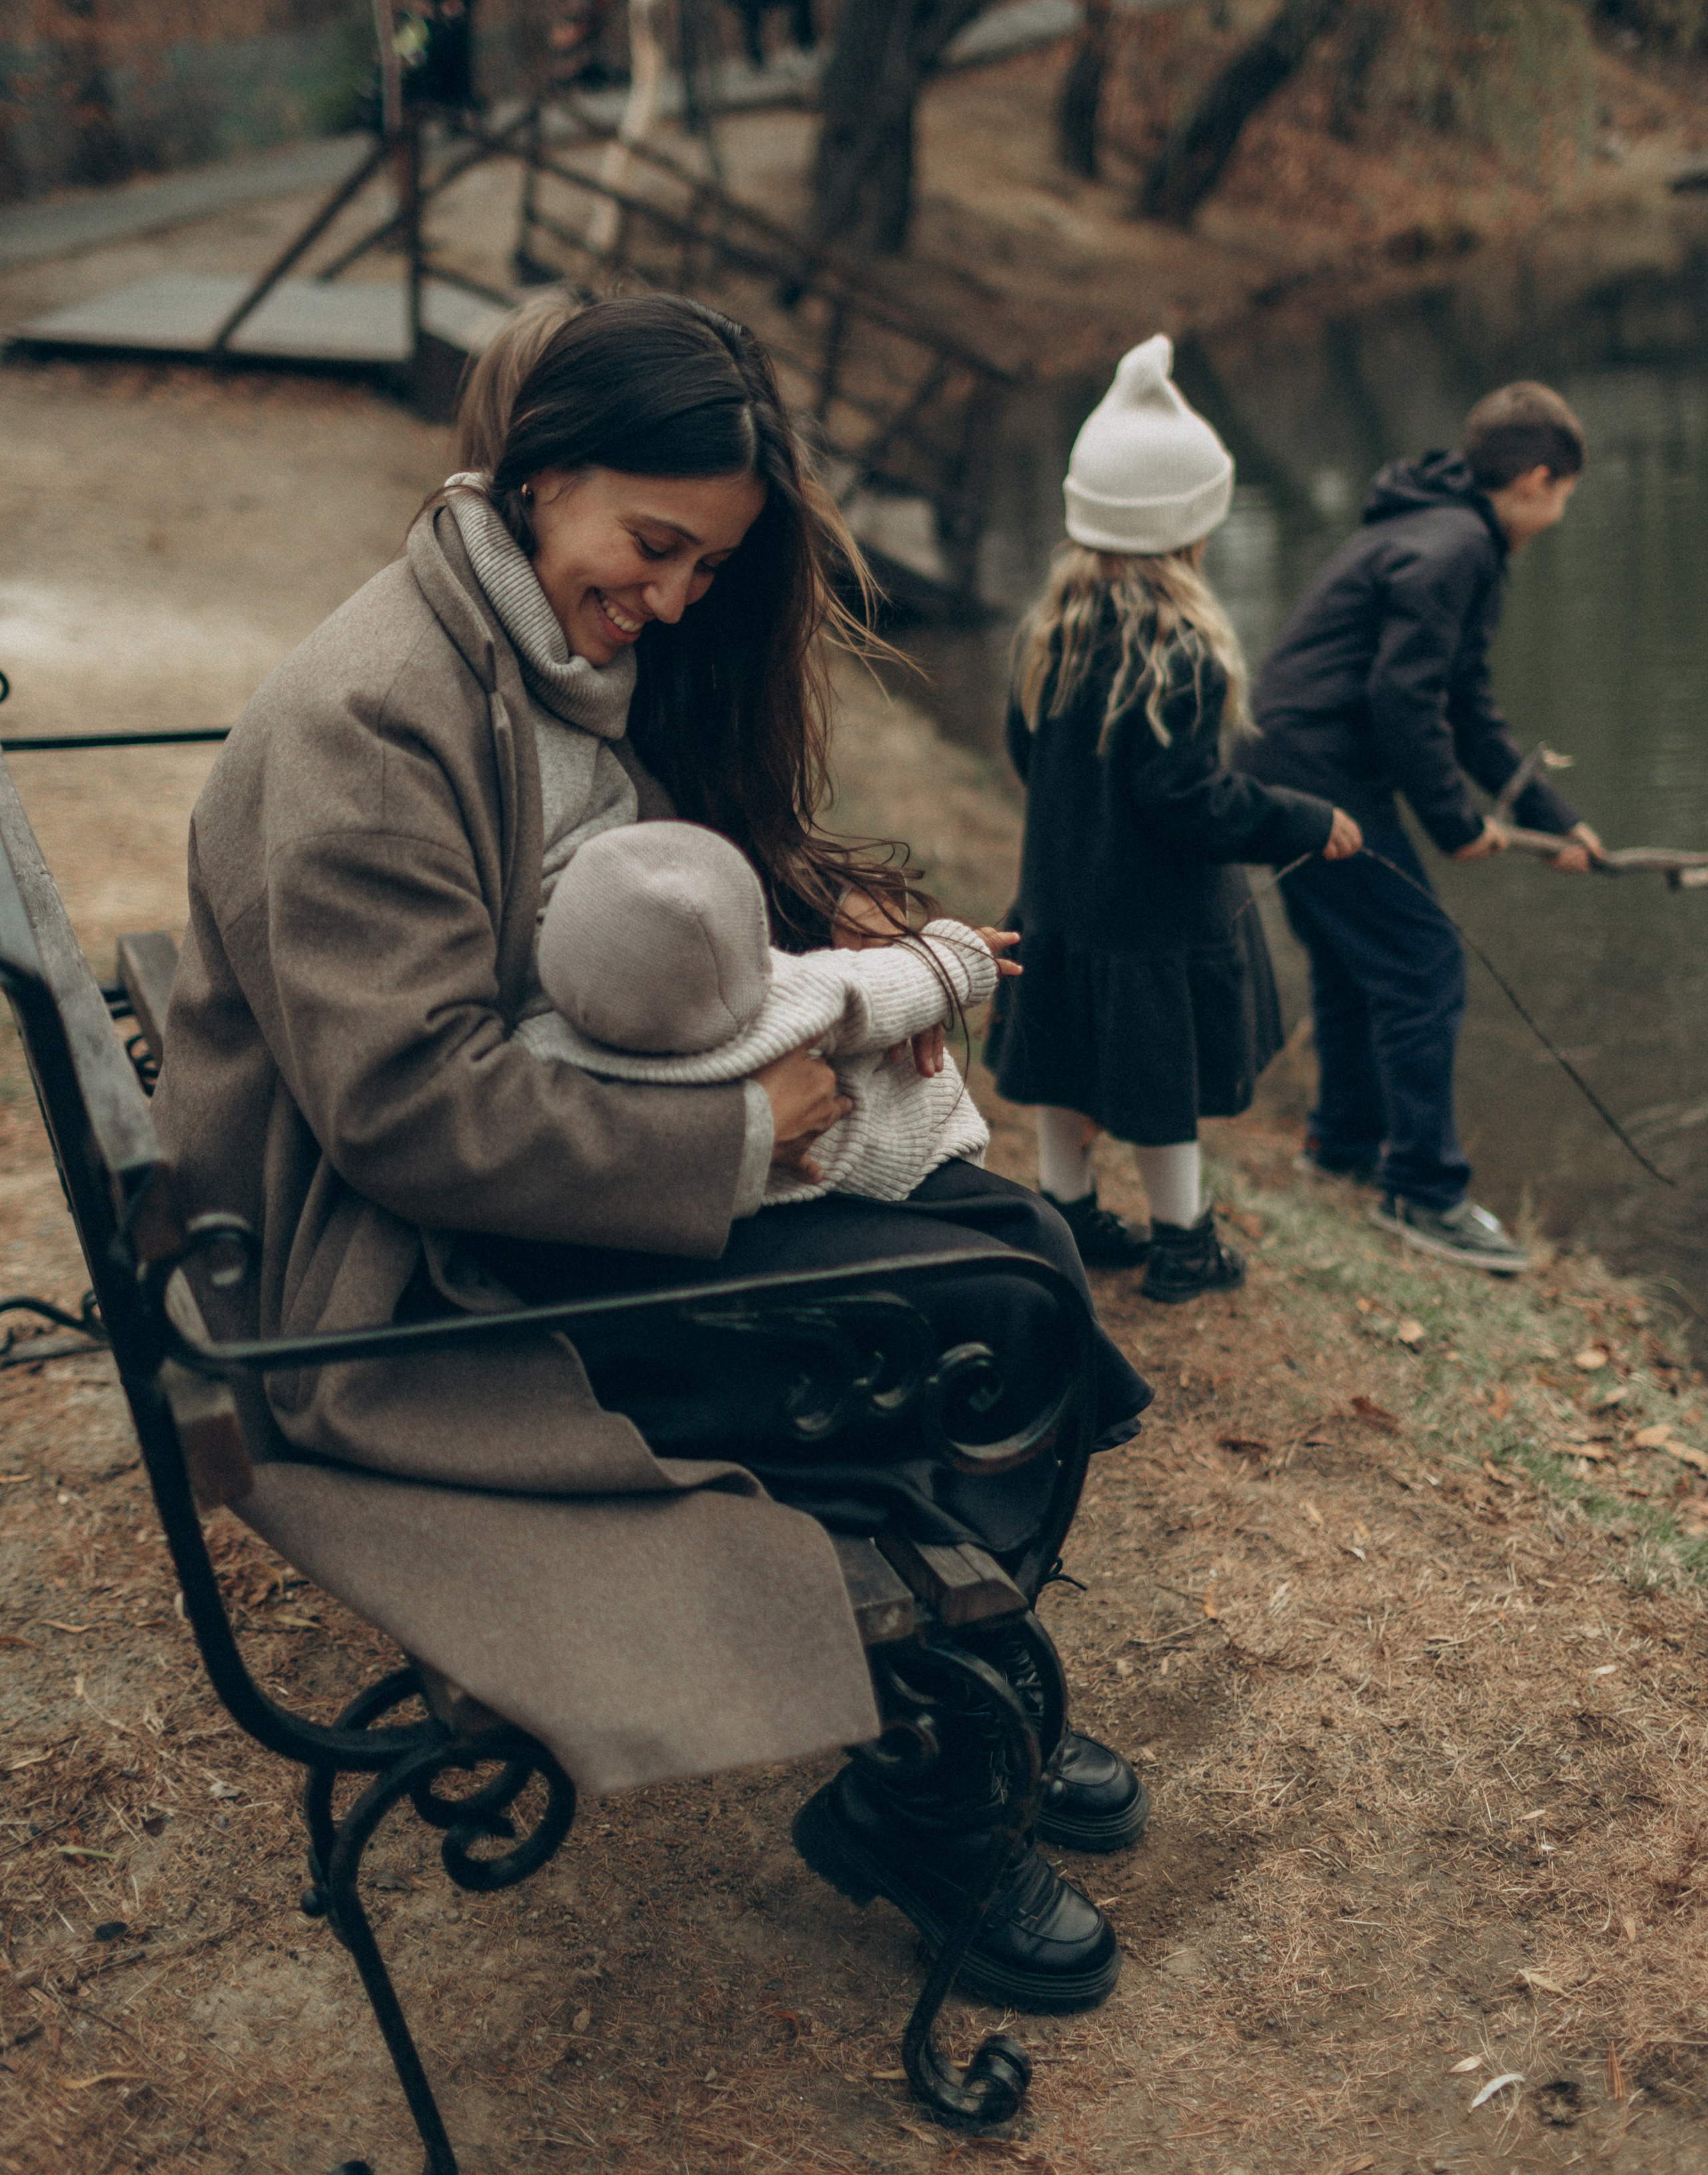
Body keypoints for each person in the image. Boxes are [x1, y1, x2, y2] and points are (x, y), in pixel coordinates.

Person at [153, 291, 1152, 2016]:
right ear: (541, 476)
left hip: (543, 1193)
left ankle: (956, 1680)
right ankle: (934, 1768)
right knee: (988, 1302)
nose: (677, 596)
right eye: (656, 544)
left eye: (708, 565)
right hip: (403, 1291)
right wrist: (731, 1131)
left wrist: (821, 938)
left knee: (1019, 1259)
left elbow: (623, 908)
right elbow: (402, 1112)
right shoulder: (374, 715)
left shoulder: (540, 649)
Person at [987, 336, 1363, 1301]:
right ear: (1189, 529)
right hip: (1154, 918)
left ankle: (1063, 1217)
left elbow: (1027, 755)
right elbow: (1188, 802)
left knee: (1068, 1062)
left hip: (1066, 897)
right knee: (1161, 1090)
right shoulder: (1181, 649)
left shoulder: (1049, 632)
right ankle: (1183, 1242)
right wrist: (1302, 819)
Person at [1237, 380, 1601, 1273]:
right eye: (1565, 496)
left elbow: (1465, 705)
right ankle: (1425, 1190)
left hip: (1282, 762)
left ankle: (1344, 1148)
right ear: (1540, 479)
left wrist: (1558, 823)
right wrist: (1452, 821)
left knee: (1358, 965)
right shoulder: (1454, 552)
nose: (1558, 513)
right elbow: (1402, 699)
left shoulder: (1439, 531)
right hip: (1317, 774)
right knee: (1421, 962)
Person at [527, 818, 1010, 1204]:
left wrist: (830, 895)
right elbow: (867, 986)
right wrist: (956, 957)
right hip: (908, 1148)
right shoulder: (775, 1001)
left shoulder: (544, 1046)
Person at [422, 0, 476, 109]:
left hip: (458, 29)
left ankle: (461, 103)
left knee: (459, 68)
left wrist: (458, 7)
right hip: (437, 29)